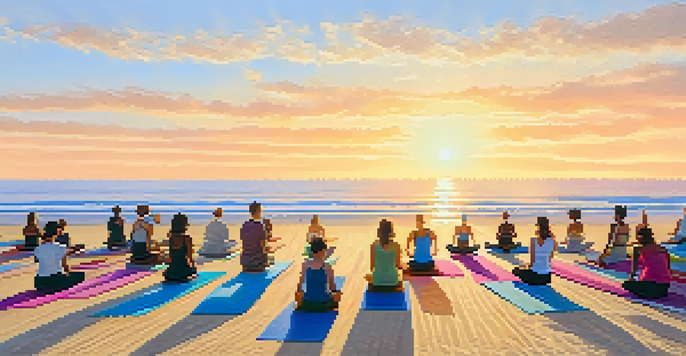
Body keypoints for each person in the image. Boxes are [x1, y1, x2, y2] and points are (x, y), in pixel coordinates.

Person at [33, 221, 85, 292]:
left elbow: (38, 260)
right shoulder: (60, 247)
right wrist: (68, 274)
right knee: (80, 275)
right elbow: (65, 266)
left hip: (39, 281)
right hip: (55, 280)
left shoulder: (37, 249)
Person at [622, 227, 671, 299]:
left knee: (626, 284)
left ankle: (647, 293)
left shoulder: (639, 250)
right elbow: (668, 268)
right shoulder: (663, 249)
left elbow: (634, 270)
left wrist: (632, 278)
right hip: (665, 286)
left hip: (651, 284)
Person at [295, 237, 342, 312]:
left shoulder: (305, 265)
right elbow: (332, 287)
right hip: (323, 304)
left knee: (299, 294)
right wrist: (337, 293)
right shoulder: (327, 267)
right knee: (337, 295)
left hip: (308, 303)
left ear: (311, 251)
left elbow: (299, 286)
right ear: (323, 251)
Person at [512, 217, 557, 285]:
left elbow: (532, 262)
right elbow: (550, 258)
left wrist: (525, 267)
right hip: (547, 277)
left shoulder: (533, 241)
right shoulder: (553, 241)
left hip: (535, 275)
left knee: (516, 270)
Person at [365, 219, 404, 292]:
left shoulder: (373, 245)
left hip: (377, 281)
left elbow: (372, 267)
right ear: (391, 232)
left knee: (368, 277)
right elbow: (397, 264)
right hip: (392, 281)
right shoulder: (396, 246)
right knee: (400, 277)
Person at [240, 201, 276, 272]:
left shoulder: (244, 225)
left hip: (245, 262)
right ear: (258, 212)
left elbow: (244, 243)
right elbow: (263, 248)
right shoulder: (260, 227)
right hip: (258, 263)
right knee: (271, 259)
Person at [164, 213, 198, 283]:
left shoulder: (171, 238)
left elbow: (171, 257)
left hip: (171, 272)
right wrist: (193, 268)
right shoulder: (187, 239)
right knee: (192, 270)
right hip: (183, 271)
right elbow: (190, 258)